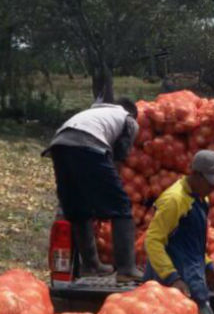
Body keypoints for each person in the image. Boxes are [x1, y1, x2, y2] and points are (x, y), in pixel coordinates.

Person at [42, 98, 143, 282]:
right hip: (88, 145)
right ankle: (127, 268)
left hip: (59, 145)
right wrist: (112, 189)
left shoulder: (94, 113)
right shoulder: (129, 119)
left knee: (78, 209)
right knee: (121, 205)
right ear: (133, 114)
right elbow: (118, 158)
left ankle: (90, 265)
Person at [143, 149, 214, 314]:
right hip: (174, 282)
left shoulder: (200, 197)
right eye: (211, 182)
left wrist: (209, 266)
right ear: (196, 174)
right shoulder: (174, 200)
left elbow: (191, 244)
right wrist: (173, 278)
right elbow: (152, 241)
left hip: (191, 278)